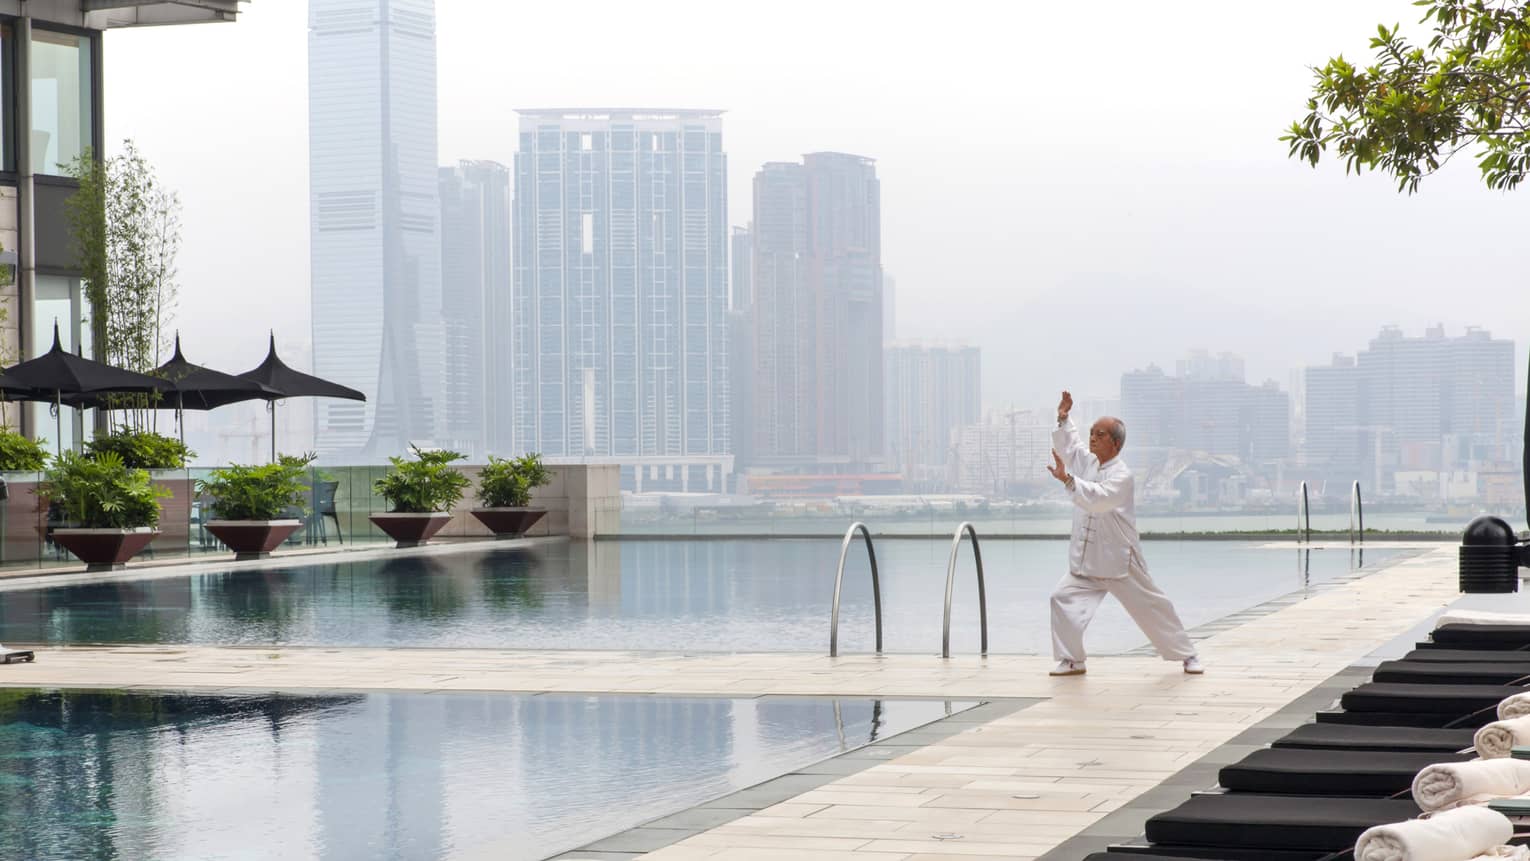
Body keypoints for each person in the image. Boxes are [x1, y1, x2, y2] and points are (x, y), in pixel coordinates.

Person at [1045, 390, 1202, 676]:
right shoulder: (1089, 462)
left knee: (1153, 606)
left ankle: (1187, 654)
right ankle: (1072, 659)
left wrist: (1067, 480)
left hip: (1120, 559)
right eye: (1092, 432)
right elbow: (1071, 447)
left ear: (1115, 443)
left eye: (1100, 434)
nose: (1092, 438)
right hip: (1086, 560)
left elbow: (1099, 498)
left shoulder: (1122, 475)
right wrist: (1063, 418)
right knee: (1061, 598)